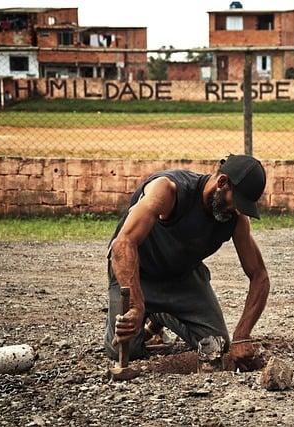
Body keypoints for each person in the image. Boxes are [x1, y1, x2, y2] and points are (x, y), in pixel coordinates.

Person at [104, 154, 270, 368]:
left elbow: (259, 276)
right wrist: (136, 305)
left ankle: (159, 315)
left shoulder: (235, 219)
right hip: (138, 274)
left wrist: (242, 335)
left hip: (181, 276)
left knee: (216, 345)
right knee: (123, 349)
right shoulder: (168, 190)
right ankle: (146, 310)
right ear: (222, 183)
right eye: (236, 202)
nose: (237, 210)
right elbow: (123, 244)